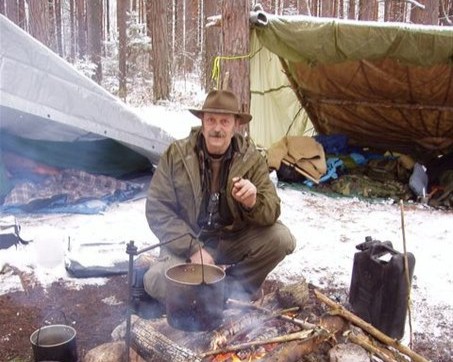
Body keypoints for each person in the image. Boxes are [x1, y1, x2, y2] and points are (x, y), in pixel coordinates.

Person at [143, 89, 296, 304]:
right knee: (156, 280)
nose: (217, 128)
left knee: (281, 239)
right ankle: (214, 293)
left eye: (224, 122)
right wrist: (193, 249)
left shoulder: (251, 159)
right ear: (202, 123)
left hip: (230, 240)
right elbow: (157, 209)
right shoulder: (176, 155)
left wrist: (253, 202)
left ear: (236, 125)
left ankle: (229, 290)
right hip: (186, 239)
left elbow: (272, 209)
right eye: (211, 120)